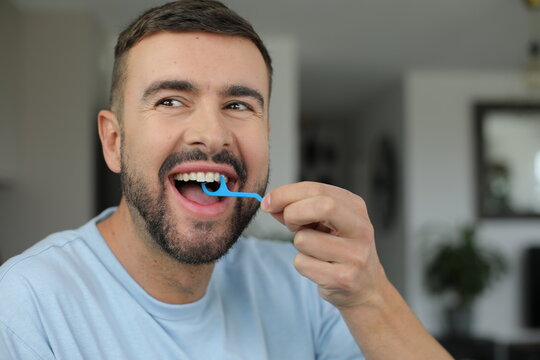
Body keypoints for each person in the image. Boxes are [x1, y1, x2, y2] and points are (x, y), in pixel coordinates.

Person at [0, 1, 452, 359]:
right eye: (171, 100)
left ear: (267, 137)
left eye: (239, 106)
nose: (213, 135)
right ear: (114, 141)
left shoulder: (310, 287)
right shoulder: (25, 304)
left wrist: (371, 295)